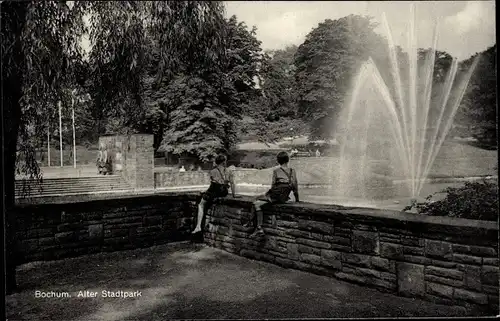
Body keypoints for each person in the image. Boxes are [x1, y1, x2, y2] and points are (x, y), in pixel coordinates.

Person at [249, 151, 299, 237]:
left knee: (256, 201)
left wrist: (267, 195)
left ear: (278, 161)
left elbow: (273, 187)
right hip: (284, 198)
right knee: (258, 201)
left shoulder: (276, 171)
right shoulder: (292, 171)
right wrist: (297, 200)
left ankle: (257, 227)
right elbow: (295, 187)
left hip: (275, 197)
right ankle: (253, 225)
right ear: (288, 160)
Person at [192, 154, 236, 234]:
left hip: (214, 190)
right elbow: (232, 184)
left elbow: (215, 184)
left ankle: (198, 226)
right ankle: (198, 226)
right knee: (208, 196)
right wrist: (234, 195)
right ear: (223, 162)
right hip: (223, 192)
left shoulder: (213, 171)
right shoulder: (229, 171)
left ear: (216, 162)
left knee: (201, 204)